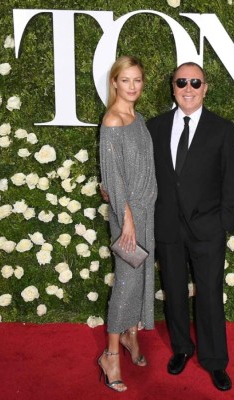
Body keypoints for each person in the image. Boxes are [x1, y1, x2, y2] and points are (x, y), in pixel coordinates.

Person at [146, 62, 234, 391]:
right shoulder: (155, 127)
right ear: (172, 87)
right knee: (173, 292)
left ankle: (214, 360)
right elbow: (146, 175)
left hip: (208, 229)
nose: (188, 88)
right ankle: (182, 349)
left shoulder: (222, 129)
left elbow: (233, 178)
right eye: (182, 82)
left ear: (206, 87)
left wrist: (224, 224)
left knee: (210, 295)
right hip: (168, 227)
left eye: (195, 82)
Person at [97, 55, 157, 393]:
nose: (132, 87)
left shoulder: (138, 117)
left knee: (140, 279)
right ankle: (111, 355)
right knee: (125, 283)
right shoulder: (113, 121)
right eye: (126, 80)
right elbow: (114, 178)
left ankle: (133, 338)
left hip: (147, 212)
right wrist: (127, 220)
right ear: (115, 83)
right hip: (129, 215)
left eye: (137, 80)